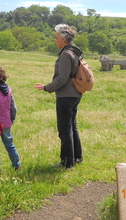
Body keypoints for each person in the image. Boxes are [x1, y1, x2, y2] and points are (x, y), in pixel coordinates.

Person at [34, 24, 83, 169]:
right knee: (72, 127)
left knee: (65, 129)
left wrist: (46, 87)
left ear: (63, 39)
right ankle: (77, 157)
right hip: (74, 95)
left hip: (66, 97)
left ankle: (67, 163)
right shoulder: (73, 53)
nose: (55, 41)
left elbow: (62, 79)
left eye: (56, 38)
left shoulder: (66, 55)